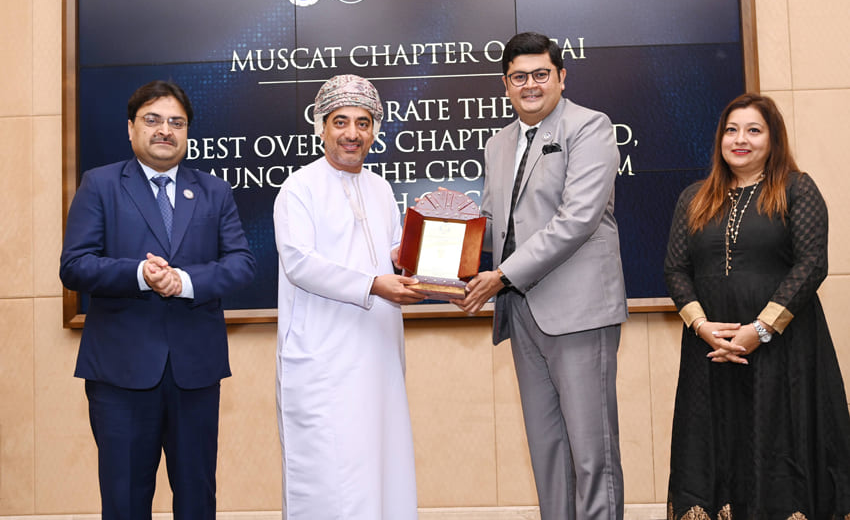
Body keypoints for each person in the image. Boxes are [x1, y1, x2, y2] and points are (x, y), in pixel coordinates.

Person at [59, 80, 256, 519]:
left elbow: (242, 264)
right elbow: (74, 266)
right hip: (120, 374)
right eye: (152, 120)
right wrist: (139, 275)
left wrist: (184, 281)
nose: (165, 130)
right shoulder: (100, 185)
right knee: (125, 502)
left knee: (197, 500)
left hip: (195, 373)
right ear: (131, 128)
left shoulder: (214, 191)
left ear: (187, 132)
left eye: (176, 122)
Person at [455, 32, 628, 519]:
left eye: (540, 74)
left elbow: (578, 219)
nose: (530, 85)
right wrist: (426, 247)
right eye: (518, 77)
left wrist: (501, 275)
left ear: (561, 77)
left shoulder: (589, 127)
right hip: (522, 312)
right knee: (548, 452)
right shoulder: (498, 143)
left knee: (592, 453)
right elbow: (493, 223)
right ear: (505, 84)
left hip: (578, 310)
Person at [664, 93, 850, 519]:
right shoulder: (693, 197)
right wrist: (703, 327)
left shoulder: (797, 188)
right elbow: (675, 269)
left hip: (784, 350)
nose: (740, 139)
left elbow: (812, 264)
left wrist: (761, 329)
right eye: (731, 130)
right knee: (715, 445)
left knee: (780, 443)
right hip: (711, 351)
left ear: (773, 138)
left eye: (753, 130)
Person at [273, 74, 425, 520]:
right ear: (321, 127)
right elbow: (300, 262)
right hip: (324, 360)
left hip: (379, 357)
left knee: (382, 471)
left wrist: (410, 258)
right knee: (331, 480)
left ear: (374, 130)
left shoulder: (381, 188)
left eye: (363, 122)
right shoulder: (299, 187)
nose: (352, 133)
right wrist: (374, 284)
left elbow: (392, 252)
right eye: (340, 121)